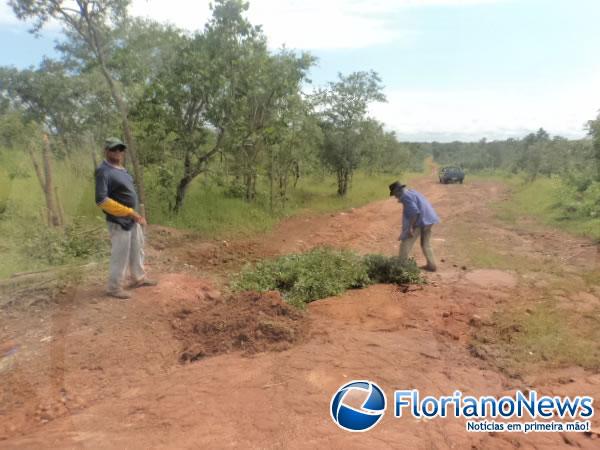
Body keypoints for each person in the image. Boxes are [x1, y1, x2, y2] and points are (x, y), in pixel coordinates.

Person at [95, 138, 157, 298]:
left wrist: (135, 215)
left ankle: (138, 278)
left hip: (132, 219)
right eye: (114, 149)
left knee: (137, 250)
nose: (117, 152)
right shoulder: (103, 171)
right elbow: (102, 200)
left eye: (120, 150)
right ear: (106, 150)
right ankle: (114, 288)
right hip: (119, 221)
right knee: (120, 255)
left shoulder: (122, 169)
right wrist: (129, 212)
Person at [389, 181, 440, 272]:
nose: (395, 196)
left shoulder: (406, 197)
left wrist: (410, 229)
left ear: (398, 190)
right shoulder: (412, 192)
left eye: (394, 194)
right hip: (429, 219)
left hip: (421, 221)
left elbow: (414, 212)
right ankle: (432, 265)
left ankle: (401, 267)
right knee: (425, 244)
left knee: (405, 244)